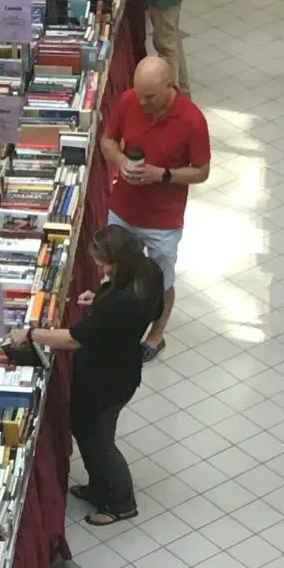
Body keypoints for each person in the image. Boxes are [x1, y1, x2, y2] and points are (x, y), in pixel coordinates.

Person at [5, 225, 160, 525]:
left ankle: (121, 502)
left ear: (120, 261)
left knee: (98, 443)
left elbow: (74, 339)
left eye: (104, 264)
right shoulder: (148, 271)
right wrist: (99, 298)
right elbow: (154, 310)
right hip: (121, 370)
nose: (100, 268)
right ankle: (100, 487)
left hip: (105, 381)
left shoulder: (122, 303)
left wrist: (31, 333)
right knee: (95, 435)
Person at [100, 58, 211, 356]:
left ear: (168, 86)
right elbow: (108, 141)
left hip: (163, 219)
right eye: (139, 94)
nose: (142, 102)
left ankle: (156, 334)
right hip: (123, 209)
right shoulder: (128, 101)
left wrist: (162, 174)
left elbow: (201, 171)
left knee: (162, 278)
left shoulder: (192, 120)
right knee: (115, 272)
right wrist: (121, 162)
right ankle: (115, 325)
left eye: (149, 96)